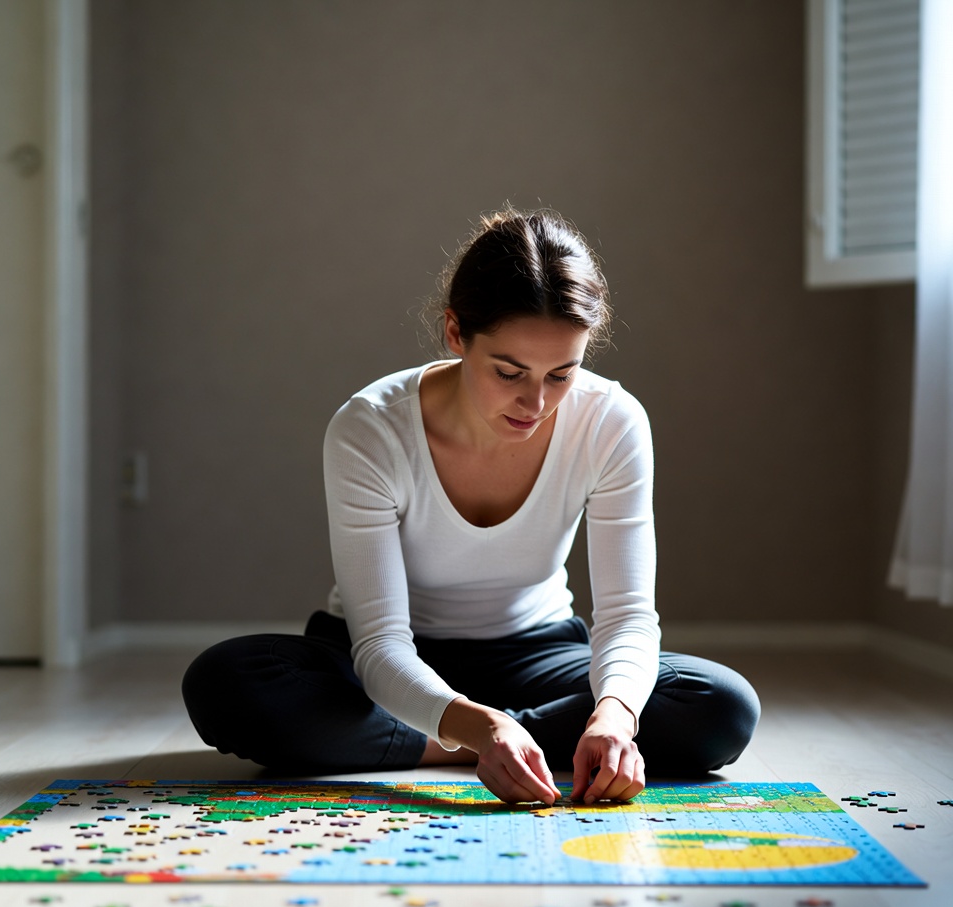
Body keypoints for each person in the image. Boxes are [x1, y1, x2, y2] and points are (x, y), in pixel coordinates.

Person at [182, 208, 760, 806]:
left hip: (535, 651)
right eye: (509, 372)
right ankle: (500, 743)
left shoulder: (611, 422)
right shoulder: (370, 427)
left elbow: (628, 616)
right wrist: (481, 730)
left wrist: (613, 719)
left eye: (562, 373)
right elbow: (380, 646)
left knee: (720, 705)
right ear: (456, 334)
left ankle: (486, 742)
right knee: (228, 683)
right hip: (387, 659)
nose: (535, 403)